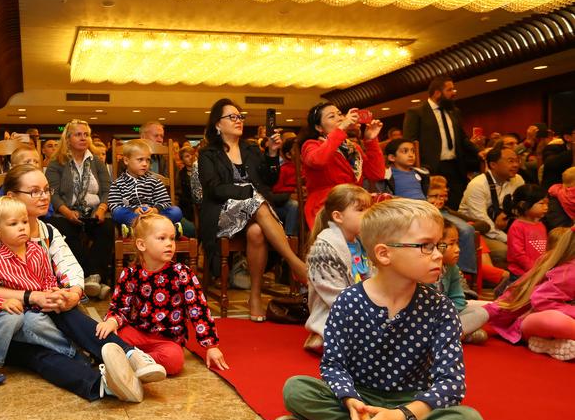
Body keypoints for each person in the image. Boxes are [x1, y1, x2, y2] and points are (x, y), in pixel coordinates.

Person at [272, 199, 486, 420]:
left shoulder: (441, 309)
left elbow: (451, 382)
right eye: (426, 246)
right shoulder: (349, 301)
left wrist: (403, 416)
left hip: (412, 402)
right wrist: (350, 401)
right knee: (296, 390)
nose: (439, 255)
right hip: (360, 400)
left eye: (438, 245)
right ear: (384, 254)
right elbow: (333, 365)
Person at [0, 164, 164, 402]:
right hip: (3, 322)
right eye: (34, 191)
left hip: (40, 312)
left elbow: (69, 268)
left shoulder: (46, 232)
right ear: (11, 196)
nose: (44, 196)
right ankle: (100, 379)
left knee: (63, 307)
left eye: (46, 190)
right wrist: (33, 296)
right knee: (38, 345)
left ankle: (127, 358)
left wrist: (70, 293)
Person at [198, 99, 307, 321]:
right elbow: (214, 189)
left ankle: (254, 296)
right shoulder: (208, 153)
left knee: (257, 232)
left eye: (240, 116)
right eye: (232, 117)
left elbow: (270, 180)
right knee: (257, 201)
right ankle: (295, 263)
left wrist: (272, 153)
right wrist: (248, 192)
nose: (238, 120)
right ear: (217, 124)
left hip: (256, 213)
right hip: (222, 213)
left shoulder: (250, 149)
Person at [0, 196, 77, 386]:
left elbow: (47, 278)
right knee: (13, 317)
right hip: (3, 313)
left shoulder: (38, 252)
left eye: (25, 222)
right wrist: (2, 303)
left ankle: (72, 353)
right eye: (13, 224)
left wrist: (51, 291)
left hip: (33, 310)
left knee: (36, 322)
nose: (22, 227)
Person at [99, 213, 226, 375]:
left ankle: (133, 360)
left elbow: (198, 309)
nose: (169, 244)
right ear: (141, 245)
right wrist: (112, 321)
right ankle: (134, 360)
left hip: (167, 340)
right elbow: (119, 307)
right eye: (162, 238)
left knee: (174, 361)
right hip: (137, 332)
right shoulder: (130, 274)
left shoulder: (182, 273)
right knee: (108, 339)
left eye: (172, 238)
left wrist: (211, 346)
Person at [379, 139, 478, 276]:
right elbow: (385, 197)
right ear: (391, 157)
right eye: (405, 151)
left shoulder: (421, 173)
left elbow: (427, 192)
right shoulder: (387, 175)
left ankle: (463, 272)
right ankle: (435, 269)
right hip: (406, 213)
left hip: (428, 210)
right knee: (428, 237)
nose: (411, 154)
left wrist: (431, 202)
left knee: (467, 229)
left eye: (412, 151)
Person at [46, 119, 114, 299]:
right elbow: (53, 194)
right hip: (67, 213)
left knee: (108, 228)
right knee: (62, 229)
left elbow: (108, 190)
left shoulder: (96, 161)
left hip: (95, 212)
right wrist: (67, 212)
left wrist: (101, 209)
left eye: (86, 134)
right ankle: (93, 278)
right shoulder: (56, 162)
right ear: (67, 139)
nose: (83, 138)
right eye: (78, 134)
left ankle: (90, 279)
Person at [485, 228, 575, 361]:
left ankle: (550, 344)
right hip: (530, 321)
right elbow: (540, 300)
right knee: (555, 320)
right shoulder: (570, 270)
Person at [303, 184, 372, 354]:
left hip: (360, 308)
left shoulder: (362, 242)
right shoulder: (324, 249)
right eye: (361, 210)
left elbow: (372, 279)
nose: (368, 214)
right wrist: (371, 311)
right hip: (336, 311)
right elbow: (334, 297)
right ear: (338, 216)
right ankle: (324, 335)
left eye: (369, 208)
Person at [300, 102, 384, 230]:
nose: (339, 118)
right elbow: (318, 161)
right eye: (331, 116)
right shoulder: (311, 145)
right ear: (319, 127)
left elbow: (376, 174)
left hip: (355, 201)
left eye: (339, 114)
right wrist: (340, 129)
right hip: (327, 204)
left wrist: (370, 140)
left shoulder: (353, 147)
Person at [402, 76, 480, 209]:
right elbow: (410, 143)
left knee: (456, 205)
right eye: (449, 90)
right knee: (434, 208)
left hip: (455, 167)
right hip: (431, 169)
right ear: (437, 93)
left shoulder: (454, 112)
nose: (453, 93)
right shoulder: (416, 113)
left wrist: (479, 152)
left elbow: (462, 139)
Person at [458, 146, 524, 267]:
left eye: (517, 160)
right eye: (510, 161)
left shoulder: (518, 180)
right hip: (477, 230)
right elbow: (483, 221)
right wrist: (509, 240)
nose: (516, 165)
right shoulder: (478, 185)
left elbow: (521, 209)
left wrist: (507, 215)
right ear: (493, 165)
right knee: (505, 251)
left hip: (504, 226)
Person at [434, 220, 490, 344]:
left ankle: (452, 333)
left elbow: (458, 299)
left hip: (447, 315)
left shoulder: (452, 268)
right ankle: (456, 334)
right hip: (426, 319)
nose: (458, 249)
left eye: (457, 243)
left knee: (483, 312)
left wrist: (448, 315)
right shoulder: (423, 269)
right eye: (451, 244)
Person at [108, 139, 182, 231]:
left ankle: (138, 229)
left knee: (176, 211)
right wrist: (134, 210)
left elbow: (166, 202)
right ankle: (154, 228)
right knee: (118, 212)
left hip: (153, 215)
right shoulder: (118, 184)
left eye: (148, 160)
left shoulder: (154, 181)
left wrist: (155, 210)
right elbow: (114, 205)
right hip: (133, 215)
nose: (145, 164)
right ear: (126, 161)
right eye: (140, 160)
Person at [503, 183, 548, 279]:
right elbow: (518, 254)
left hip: (537, 272)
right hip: (520, 274)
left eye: (547, 203)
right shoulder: (517, 227)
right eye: (541, 203)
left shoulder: (541, 225)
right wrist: (534, 269)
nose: (546, 207)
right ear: (523, 205)